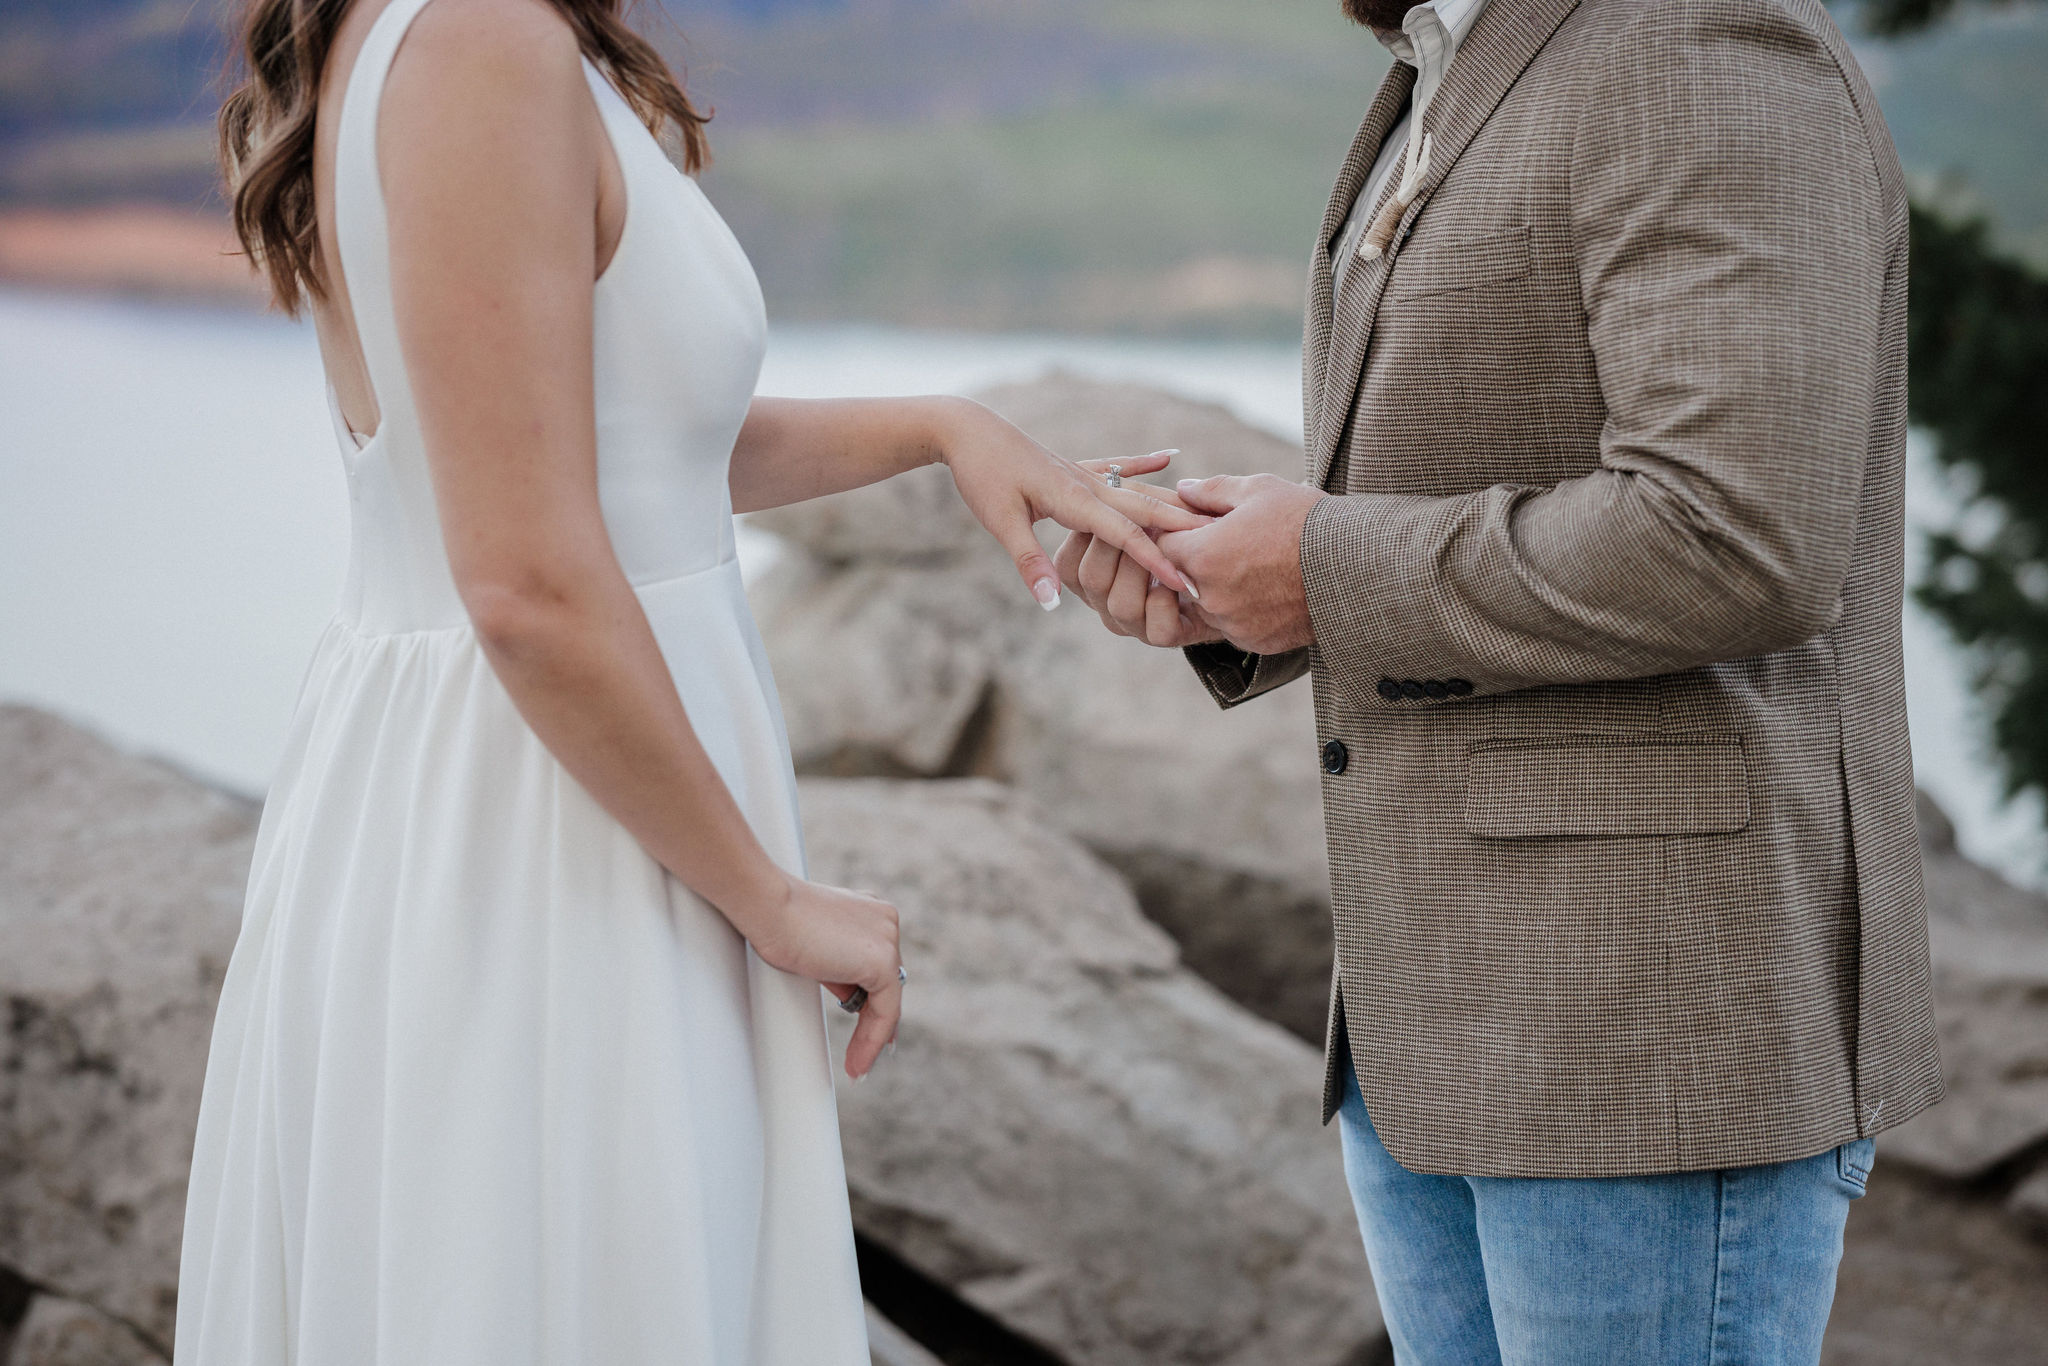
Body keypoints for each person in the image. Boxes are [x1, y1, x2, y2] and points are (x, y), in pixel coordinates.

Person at [175, 0, 1200, 1360]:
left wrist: (945, 431)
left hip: (548, 796)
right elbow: (527, 583)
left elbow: (613, 443)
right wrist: (769, 897)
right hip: (548, 836)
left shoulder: (433, 30)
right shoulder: (480, 37)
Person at [1058, 0, 1943, 1361]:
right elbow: (1463, 469)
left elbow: (1737, 534)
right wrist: (1239, 579)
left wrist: (1330, 569)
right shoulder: (1446, 60)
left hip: (1644, 1036)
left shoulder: (1697, 39)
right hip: (1429, 1034)